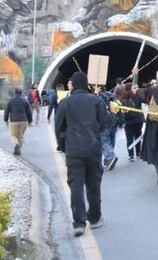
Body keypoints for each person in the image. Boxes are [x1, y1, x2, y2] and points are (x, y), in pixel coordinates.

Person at [55, 71, 110, 236]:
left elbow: (58, 127)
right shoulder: (96, 100)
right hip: (93, 148)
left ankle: (79, 223)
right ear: (86, 84)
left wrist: (63, 145)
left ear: (73, 85)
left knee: (76, 186)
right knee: (94, 184)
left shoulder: (65, 103)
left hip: (74, 151)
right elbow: (105, 122)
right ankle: (94, 218)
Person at [117, 83, 144, 162]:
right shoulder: (137, 95)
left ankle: (131, 154)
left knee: (129, 138)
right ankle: (138, 152)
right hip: (138, 119)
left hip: (128, 121)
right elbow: (144, 101)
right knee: (137, 135)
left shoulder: (122, 98)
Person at [96, 86, 119, 171]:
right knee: (111, 139)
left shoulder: (98, 97)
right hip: (113, 120)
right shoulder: (111, 95)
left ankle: (111, 156)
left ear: (99, 87)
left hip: (104, 121)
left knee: (104, 140)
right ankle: (108, 160)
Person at [4, 88, 32, 156]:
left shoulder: (10, 101)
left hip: (14, 121)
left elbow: (7, 111)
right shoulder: (25, 101)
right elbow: (29, 112)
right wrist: (30, 121)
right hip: (24, 121)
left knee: (13, 136)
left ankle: (16, 145)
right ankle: (19, 150)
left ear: (14, 93)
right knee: (20, 136)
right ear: (21, 93)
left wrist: (6, 120)